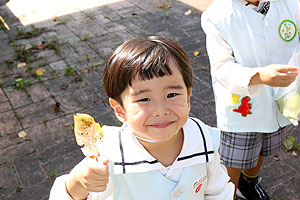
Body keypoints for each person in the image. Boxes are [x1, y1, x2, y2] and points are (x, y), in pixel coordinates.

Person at [49, 36, 234, 200]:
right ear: (120, 110)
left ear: (187, 97)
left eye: (171, 95)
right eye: (144, 99)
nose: (160, 111)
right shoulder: (107, 154)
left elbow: (218, 191)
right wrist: (78, 182)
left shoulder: (203, 139)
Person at [201, 0, 300, 199]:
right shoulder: (218, 15)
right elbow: (221, 68)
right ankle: (228, 193)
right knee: (235, 158)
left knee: (265, 146)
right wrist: (260, 77)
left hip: (281, 100)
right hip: (242, 108)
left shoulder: (289, 4)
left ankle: (248, 182)